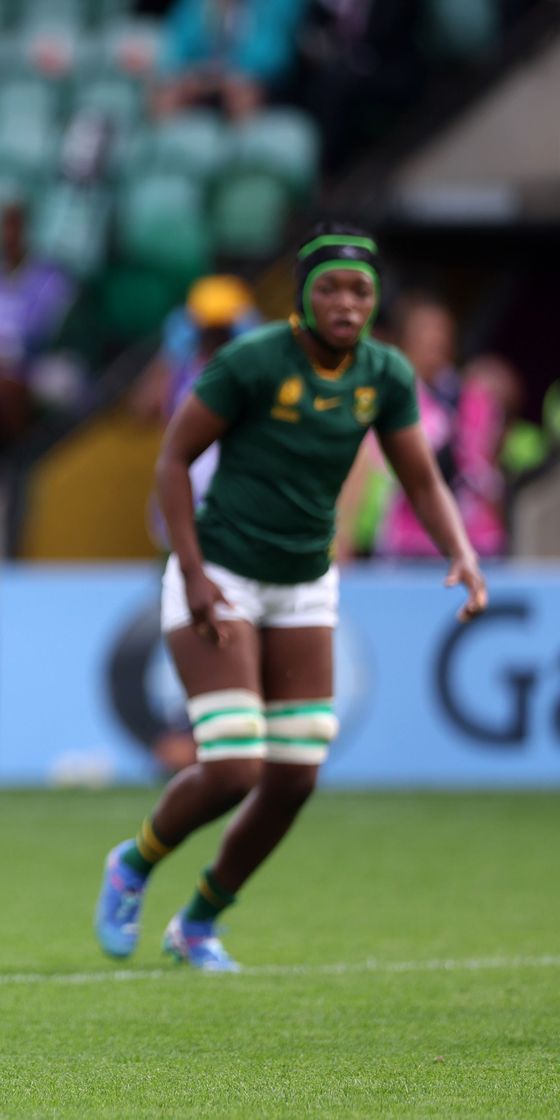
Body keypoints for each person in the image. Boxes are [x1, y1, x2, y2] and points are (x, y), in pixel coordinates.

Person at [93, 224, 488, 971]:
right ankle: (134, 863)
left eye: (360, 291)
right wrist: (195, 571)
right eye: (331, 287)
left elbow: (420, 477)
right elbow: (174, 459)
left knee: (295, 777)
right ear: (303, 297)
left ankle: (200, 921)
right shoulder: (252, 361)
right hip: (224, 571)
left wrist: (460, 551)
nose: (346, 302)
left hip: (304, 580)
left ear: (375, 305)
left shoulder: (385, 374)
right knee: (236, 765)